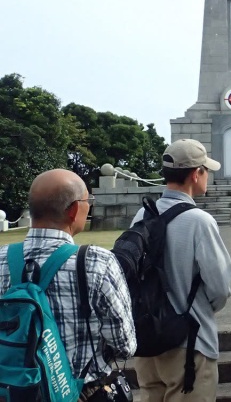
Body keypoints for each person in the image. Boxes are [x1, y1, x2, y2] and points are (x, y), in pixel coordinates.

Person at [0, 169, 137, 401]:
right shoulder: (96, 262)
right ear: (74, 209)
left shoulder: (2, 258)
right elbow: (125, 344)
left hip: (15, 392)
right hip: (80, 392)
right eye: (88, 201)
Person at [132, 139, 231, 402]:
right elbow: (220, 288)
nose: (207, 175)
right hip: (189, 343)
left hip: (147, 338)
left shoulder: (141, 215)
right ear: (195, 174)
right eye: (206, 170)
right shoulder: (199, 221)